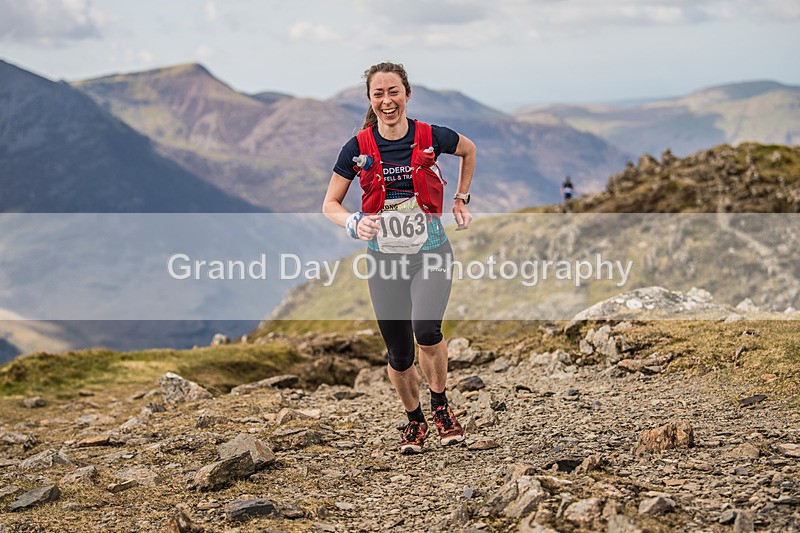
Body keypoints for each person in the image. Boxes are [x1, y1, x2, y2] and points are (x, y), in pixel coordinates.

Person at [322, 62, 477, 454]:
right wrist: (353, 222)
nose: (387, 101)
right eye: (379, 94)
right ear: (370, 100)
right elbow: (330, 204)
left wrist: (461, 198)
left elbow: (468, 149)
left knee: (426, 331)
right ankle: (414, 421)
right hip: (384, 259)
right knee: (399, 353)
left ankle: (440, 406)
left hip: (430, 252)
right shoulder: (357, 147)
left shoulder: (430, 136)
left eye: (394, 92)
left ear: (407, 94)